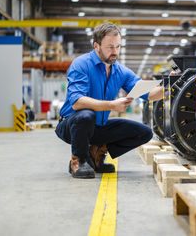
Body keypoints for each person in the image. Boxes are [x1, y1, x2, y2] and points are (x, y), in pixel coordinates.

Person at [55, 22, 163, 179]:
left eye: (118, 47)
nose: (115, 52)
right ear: (96, 46)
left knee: (144, 133)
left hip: (98, 127)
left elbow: (150, 95)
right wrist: (112, 105)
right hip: (72, 125)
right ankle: (78, 161)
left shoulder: (121, 72)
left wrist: (170, 88)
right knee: (86, 115)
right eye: (110, 47)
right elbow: (77, 102)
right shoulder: (81, 64)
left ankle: (95, 156)